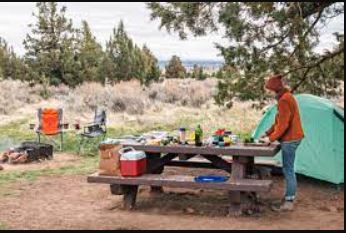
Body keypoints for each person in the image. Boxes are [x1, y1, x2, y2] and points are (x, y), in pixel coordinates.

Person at [260, 74, 305, 212]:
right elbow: (279, 121)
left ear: (275, 88)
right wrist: (267, 133)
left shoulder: (284, 100)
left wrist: (271, 139)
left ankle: (289, 201)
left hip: (290, 139)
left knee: (288, 170)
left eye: (270, 89)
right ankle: (288, 197)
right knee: (288, 169)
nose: (269, 92)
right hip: (293, 137)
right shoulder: (286, 97)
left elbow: (283, 125)